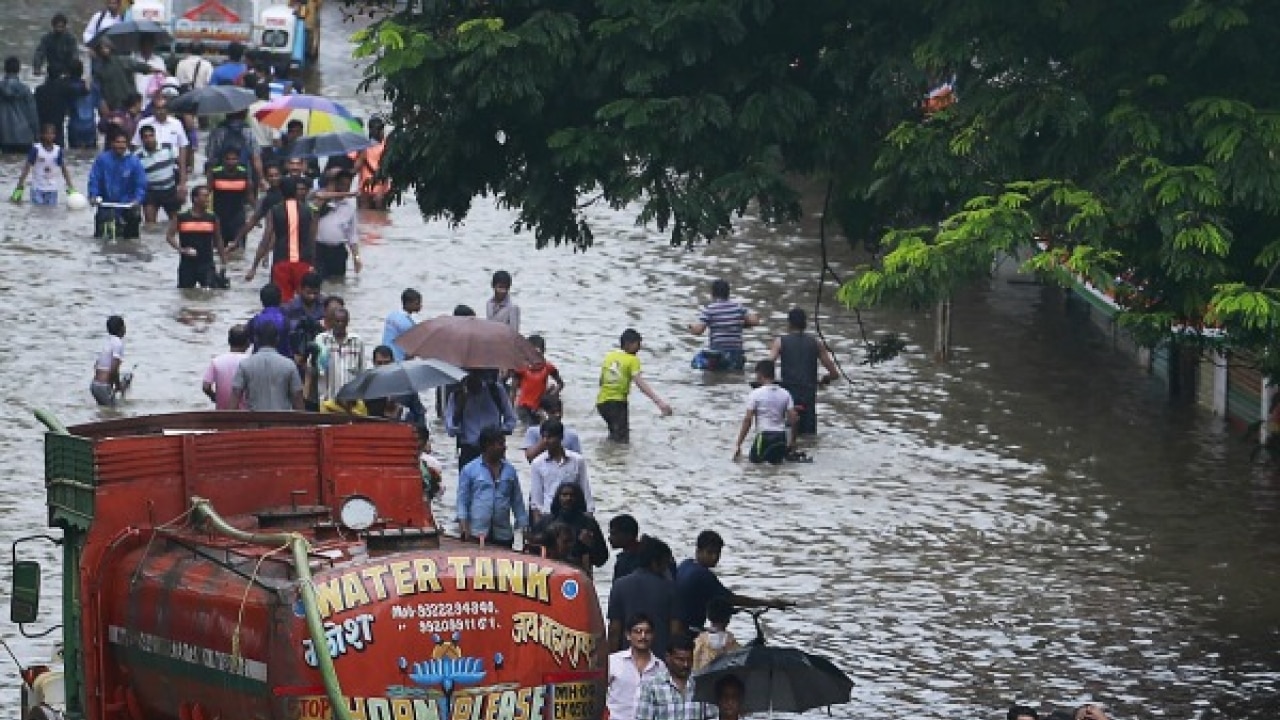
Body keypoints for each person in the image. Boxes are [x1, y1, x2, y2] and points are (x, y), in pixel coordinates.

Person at [675, 531, 793, 632]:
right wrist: (769, 603)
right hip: (689, 629)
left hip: (678, 624)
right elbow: (732, 599)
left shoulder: (686, 564)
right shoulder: (702, 575)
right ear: (698, 551)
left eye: (718, 553)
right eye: (710, 552)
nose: (715, 557)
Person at [608, 536, 684, 658]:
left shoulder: (619, 585)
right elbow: (675, 632)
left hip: (627, 659)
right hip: (659, 660)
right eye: (665, 564)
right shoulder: (670, 589)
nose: (667, 569)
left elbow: (614, 631)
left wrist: (612, 662)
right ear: (655, 563)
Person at [769, 308, 840, 438]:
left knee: (788, 436)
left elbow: (768, 366)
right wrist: (825, 379)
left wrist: (770, 384)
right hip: (808, 395)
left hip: (789, 394)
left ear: (789, 324)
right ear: (805, 324)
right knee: (809, 438)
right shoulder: (816, 343)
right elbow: (834, 373)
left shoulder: (780, 342)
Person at [246, 176, 317, 302]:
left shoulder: (274, 211)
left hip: (281, 263)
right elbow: (312, 240)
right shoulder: (309, 210)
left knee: (282, 303)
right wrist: (313, 265)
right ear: (295, 191)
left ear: (281, 192)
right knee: (305, 302)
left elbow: (266, 240)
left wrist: (254, 267)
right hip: (303, 263)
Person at [455, 426, 528, 547]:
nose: (505, 447)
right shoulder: (469, 470)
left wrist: (523, 528)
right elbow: (462, 501)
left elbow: (517, 502)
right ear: (488, 446)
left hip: (503, 535)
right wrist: (464, 527)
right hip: (477, 534)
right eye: (501, 444)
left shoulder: (510, 471)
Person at [597, 328, 673, 443]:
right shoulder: (633, 360)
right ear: (628, 344)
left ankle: (607, 457)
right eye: (638, 344)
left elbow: (601, 381)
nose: (640, 347)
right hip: (617, 403)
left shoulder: (610, 356)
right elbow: (639, 383)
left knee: (614, 434)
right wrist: (659, 402)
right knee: (622, 441)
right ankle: (617, 460)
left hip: (601, 404)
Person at [532, 483, 607, 576]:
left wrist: (591, 545)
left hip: (579, 574)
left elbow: (601, 560)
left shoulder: (589, 523)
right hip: (549, 573)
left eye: (572, 495)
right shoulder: (546, 522)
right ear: (558, 498)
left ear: (579, 498)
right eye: (564, 495)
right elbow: (532, 556)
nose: (568, 498)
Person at [445, 373, 518, 469]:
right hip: (469, 451)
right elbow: (451, 431)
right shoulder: (456, 395)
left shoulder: (496, 390)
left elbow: (511, 420)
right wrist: (459, 409)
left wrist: (496, 434)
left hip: (493, 450)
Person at [529, 419, 594, 523]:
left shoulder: (577, 461)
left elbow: (585, 490)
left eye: (550, 437)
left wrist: (589, 517)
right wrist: (539, 526)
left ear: (560, 438)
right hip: (549, 516)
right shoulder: (537, 463)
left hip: (573, 516)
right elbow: (536, 501)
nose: (546, 441)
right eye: (544, 437)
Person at [732, 360, 797, 464]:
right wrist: (792, 441)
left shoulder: (755, 394)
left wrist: (739, 443)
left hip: (764, 437)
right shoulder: (785, 394)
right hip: (780, 438)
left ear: (759, 374)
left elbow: (748, 420)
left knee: (754, 467)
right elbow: (793, 419)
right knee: (776, 468)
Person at [166, 186, 229, 289]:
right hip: (187, 265)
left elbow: (218, 240)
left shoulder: (212, 217)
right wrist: (181, 249)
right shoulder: (181, 217)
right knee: (185, 294)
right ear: (195, 199)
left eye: (208, 196)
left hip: (207, 264)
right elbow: (169, 236)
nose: (208, 199)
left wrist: (223, 260)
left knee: (209, 294)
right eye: (205, 196)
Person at [688, 279, 759, 371]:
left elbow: (698, 331)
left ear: (713, 294)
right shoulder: (737, 307)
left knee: (697, 363)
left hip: (718, 355)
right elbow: (755, 321)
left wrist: (691, 327)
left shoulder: (710, 309)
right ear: (728, 293)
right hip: (736, 355)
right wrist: (741, 324)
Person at [231, 321, 303, 411]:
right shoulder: (289, 365)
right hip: (282, 422)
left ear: (256, 339)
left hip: (254, 422)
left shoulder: (245, 365)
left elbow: (235, 398)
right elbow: (298, 398)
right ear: (277, 339)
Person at [635, 634, 709, 720]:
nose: (686, 665)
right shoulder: (651, 686)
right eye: (680, 660)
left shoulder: (701, 685)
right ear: (668, 657)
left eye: (689, 660)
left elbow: (712, 716)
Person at [88, 130, 146, 239]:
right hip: (106, 205)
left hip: (128, 206)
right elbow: (94, 179)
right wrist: (93, 196)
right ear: (112, 143)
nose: (121, 145)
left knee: (131, 240)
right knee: (100, 239)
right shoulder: (102, 160)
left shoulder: (134, 162)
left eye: (123, 142)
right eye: (118, 142)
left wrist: (137, 200)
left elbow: (141, 184)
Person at [607, 614, 666, 720]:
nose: (643, 636)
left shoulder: (660, 667)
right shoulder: (613, 662)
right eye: (638, 631)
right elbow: (598, 694)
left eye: (647, 632)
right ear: (628, 635)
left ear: (653, 636)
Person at [314, 307, 366, 412]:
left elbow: (362, 372)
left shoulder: (357, 341)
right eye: (337, 321)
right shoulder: (321, 340)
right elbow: (314, 367)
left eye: (343, 321)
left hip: (351, 402)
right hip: (328, 400)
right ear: (331, 322)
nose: (340, 324)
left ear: (347, 322)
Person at [313, 169, 362, 277]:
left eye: (348, 185)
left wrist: (356, 258)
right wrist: (350, 194)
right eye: (342, 184)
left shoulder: (349, 208)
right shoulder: (319, 200)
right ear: (335, 184)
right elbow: (316, 201)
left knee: (338, 283)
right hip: (319, 250)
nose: (345, 188)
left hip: (338, 251)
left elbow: (352, 235)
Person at [13, 123, 74, 206]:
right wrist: (19, 187)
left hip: (52, 189)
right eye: (47, 133)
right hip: (37, 189)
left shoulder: (57, 150)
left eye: (52, 134)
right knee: (37, 211)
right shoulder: (36, 149)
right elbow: (26, 169)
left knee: (51, 212)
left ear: (55, 136)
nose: (49, 136)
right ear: (42, 135)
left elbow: (64, 169)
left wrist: (70, 186)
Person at [132, 95, 190, 179]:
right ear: (153, 109)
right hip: (150, 169)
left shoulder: (176, 124)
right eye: (158, 108)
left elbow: (182, 147)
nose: (161, 111)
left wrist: (183, 175)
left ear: (167, 109)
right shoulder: (143, 124)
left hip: (172, 168)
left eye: (163, 108)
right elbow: (136, 146)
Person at [91, 40, 153, 118]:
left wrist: (153, 69)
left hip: (128, 102)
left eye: (106, 47)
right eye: (101, 48)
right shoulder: (98, 68)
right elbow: (97, 88)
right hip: (112, 105)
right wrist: (102, 102)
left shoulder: (122, 60)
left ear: (110, 47)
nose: (104, 50)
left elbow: (139, 66)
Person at [136, 125, 184, 224]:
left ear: (155, 136)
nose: (149, 139)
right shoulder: (137, 157)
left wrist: (182, 186)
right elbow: (136, 179)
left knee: (177, 223)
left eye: (151, 136)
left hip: (170, 190)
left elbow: (181, 165)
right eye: (146, 137)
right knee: (150, 225)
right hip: (151, 192)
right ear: (142, 140)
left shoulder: (168, 147)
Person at [512, 335, 564, 426]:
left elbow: (560, 384)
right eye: (532, 353)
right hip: (523, 407)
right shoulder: (521, 368)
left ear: (543, 351)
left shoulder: (548, 367)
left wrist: (551, 395)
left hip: (539, 405)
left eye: (538, 353)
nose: (536, 357)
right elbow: (514, 389)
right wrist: (511, 408)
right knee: (529, 428)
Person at [208, 147, 253, 250]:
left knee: (238, 248)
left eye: (234, 159)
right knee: (218, 247)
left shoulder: (244, 173)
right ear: (224, 160)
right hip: (219, 215)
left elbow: (249, 195)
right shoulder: (215, 173)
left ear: (238, 160)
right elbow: (207, 192)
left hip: (238, 216)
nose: (231, 162)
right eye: (228, 159)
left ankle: (237, 266)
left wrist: (256, 211)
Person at [205, 110, 263, 188]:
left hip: (221, 177)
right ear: (243, 114)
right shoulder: (248, 131)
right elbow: (256, 159)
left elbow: (210, 157)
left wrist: (209, 181)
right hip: (244, 176)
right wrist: (261, 179)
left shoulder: (217, 132)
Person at [35, 69, 86, 148]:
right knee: (58, 152)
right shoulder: (63, 88)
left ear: (48, 75)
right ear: (59, 76)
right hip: (57, 127)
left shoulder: (39, 90)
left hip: (43, 127)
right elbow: (83, 91)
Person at [203, 325, 250, 409]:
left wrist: (214, 397)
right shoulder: (251, 362)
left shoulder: (216, 361)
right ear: (248, 343)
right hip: (245, 415)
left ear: (229, 341)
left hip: (222, 414)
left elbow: (206, 387)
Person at [521, 396, 582, 462]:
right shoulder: (532, 432)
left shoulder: (571, 435)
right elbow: (529, 457)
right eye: (552, 412)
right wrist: (546, 438)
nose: (557, 415)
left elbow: (578, 460)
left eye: (559, 412)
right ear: (542, 412)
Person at [0, 58, 39, 153]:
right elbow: (32, 114)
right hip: (25, 135)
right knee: (24, 165)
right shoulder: (25, 89)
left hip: (5, 136)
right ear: (19, 70)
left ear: (5, 69)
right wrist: (37, 134)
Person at [691, 598, 739, 672]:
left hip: (702, 675)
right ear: (728, 619)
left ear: (708, 617)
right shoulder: (730, 640)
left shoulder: (700, 640)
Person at [90, 315, 128, 406]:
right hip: (103, 386)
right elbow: (114, 369)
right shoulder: (118, 343)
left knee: (105, 414)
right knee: (115, 415)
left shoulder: (108, 342)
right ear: (121, 328)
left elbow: (96, 365)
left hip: (94, 385)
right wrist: (118, 386)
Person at [247, 284, 292, 359]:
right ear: (280, 299)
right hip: (282, 361)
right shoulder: (286, 320)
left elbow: (250, 340)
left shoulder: (255, 320)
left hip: (258, 361)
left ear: (262, 301)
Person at [356, 115, 391, 209]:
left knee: (366, 218)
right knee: (378, 219)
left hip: (377, 190)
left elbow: (355, 167)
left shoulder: (387, 145)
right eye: (379, 129)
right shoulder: (363, 146)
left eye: (381, 129)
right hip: (367, 189)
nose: (381, 132)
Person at [382, 288, 421, 362]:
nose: (420, 306)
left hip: (385, 355)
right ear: (408, 303)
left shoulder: (392, 315)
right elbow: (411, 349)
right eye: (417, 303)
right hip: (398, 359)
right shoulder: (407, 324)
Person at [34, 14, 78, 79]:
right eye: (57, 27)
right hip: (52, 72)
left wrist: (74, 69)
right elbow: (40, 53)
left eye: (62, 27)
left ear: (65, 26)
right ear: (53, 26)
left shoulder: (70, 39)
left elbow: (74, 54)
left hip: (67, 73)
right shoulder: (46, 38)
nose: (59, 29)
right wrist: (37, 67)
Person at [131, 35, 167, 100]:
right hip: (137, 98)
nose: (147, 47)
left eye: (149, 44)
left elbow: (164, 77)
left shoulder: (159, 60)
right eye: (144, 44)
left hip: (153, 98)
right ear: (140, 45)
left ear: (153, 45)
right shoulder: (134, 60)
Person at [609, 514, 642, 582]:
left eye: (614, 533)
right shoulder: (646, 553)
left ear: (628, 535)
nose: (610, 538)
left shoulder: (626, 561)